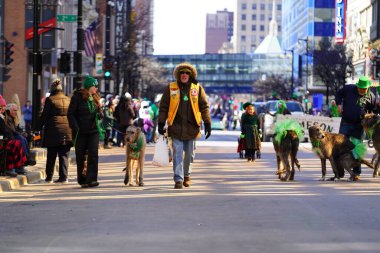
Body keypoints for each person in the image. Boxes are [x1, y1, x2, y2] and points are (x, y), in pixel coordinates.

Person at [157, 62, 211, 189]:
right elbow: (163, 107)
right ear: (178, 75)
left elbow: (204, 106)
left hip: (192, 127)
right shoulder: (171, 88)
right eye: (182, 73)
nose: (184, 75)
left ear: (191, 75)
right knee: (177, 153)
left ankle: (187, 175)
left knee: (190, 154)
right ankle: (178, 179)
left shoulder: (197, 88)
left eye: (187, 73)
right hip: (175, 127)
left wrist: (207, 123)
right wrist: (160, 122)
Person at [335, 76, 376, 181]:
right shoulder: (349, 89)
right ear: (357, 86)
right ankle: (340, 171)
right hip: (346, 122)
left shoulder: (371, 96)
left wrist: (367, 117)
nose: (362, 90)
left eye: (364, 89)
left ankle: (356, 172)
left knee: (357, 149)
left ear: (368, 88)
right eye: (360, 88)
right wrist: (339, 104)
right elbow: (338, 94)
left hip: (359, 126)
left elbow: (372, 112)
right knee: (340, 146)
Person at [68, 75, 103, 188]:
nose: (96, 88)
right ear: (89, 86)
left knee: (93, 154)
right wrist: (75, 127)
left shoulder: (96, 97)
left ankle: (92, 179)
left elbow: (99, 113)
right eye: (95, 86)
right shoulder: (77, 97)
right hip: (81, 131)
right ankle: (83, 179)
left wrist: (100, 114)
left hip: (93, 131)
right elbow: (70, 114)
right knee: (80, 155)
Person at [38, 79, 73, 183]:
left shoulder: (50, 99)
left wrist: (38, 126)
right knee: (64, 155)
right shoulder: (68, 99)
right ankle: (63, 177)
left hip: (53, 130)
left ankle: (49, 177)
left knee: (51, 155)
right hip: (67, 129)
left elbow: (44, 115)